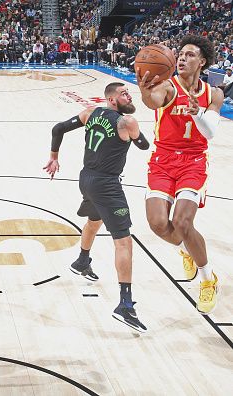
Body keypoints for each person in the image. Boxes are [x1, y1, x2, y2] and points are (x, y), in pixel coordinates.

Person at [43, 82, 150, 332]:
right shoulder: (127, 122)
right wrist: (135, 134)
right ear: (112, 100)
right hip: (107, 185)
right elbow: (143, 145)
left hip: (87, 179)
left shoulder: (91, 112)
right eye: (124, 94)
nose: (129, 96)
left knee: (94, 221)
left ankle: (82, 261)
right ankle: (124, 305)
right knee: (123, 241)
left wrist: (54, 157)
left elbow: (58, 128)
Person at [137, 35, 224, 314]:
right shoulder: (167, 85)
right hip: (163, 161)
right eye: (181, 54)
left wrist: (198, 113)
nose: (183, 58)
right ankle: (186, 250)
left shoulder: (214, 94)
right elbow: (154, 102)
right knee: (159, 225)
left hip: (193, 162)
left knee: (182, 224)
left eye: (190, 55)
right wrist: (144, 91)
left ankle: (208, 278)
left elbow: (210, 131)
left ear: (203, 62)